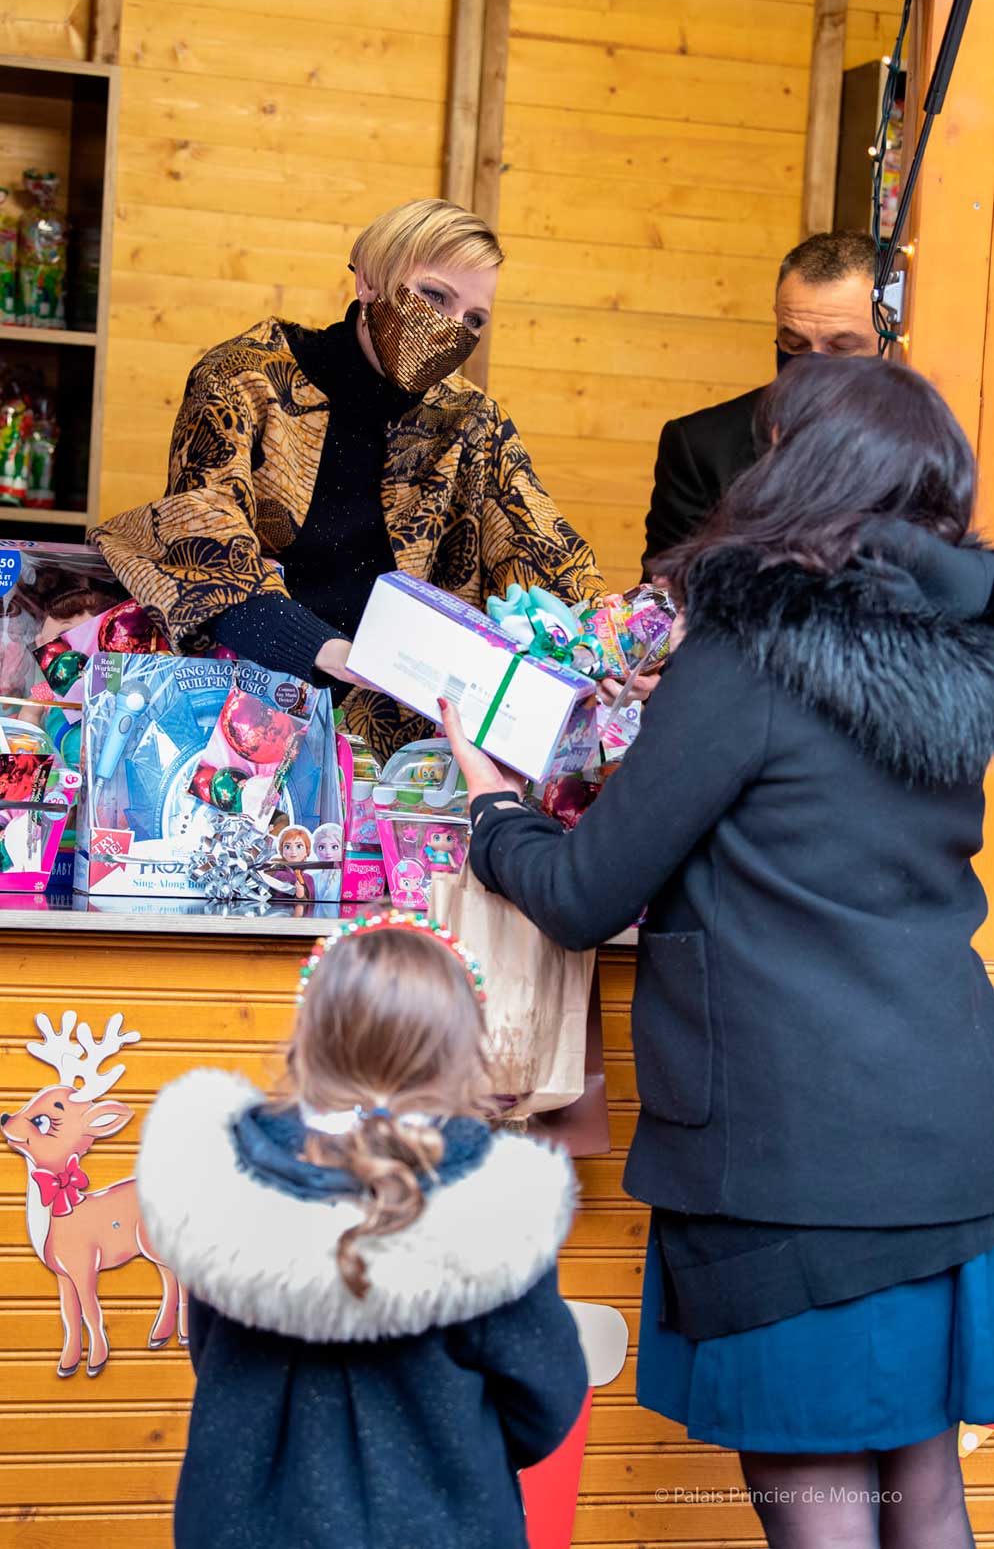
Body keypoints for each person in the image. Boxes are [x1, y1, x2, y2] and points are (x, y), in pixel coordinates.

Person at [442, 357, 994, 1548]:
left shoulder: (743, 654)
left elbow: (588, 892)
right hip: (946, 1127)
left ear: (802, 470)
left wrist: (491, 812)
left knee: (822, 1514)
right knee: (923, 1492)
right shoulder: (958, 652)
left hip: (790, 1144)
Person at [91, 198, 604, 762]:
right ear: (368, 278)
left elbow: (545, 551)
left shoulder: (471, 420)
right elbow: (205, 549)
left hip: (403, 746)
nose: (452, 328)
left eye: (474, 320)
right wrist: (328, 650)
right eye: (435, 296)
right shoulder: (245, 378)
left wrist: (615, 649)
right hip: (240, 710)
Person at [135, 912, 588, 1549]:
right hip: (441, 1527)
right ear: (462, 1053)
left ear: (309, 1037)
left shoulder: (223, 1185)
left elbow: (207, 1353)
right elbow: (545, 1398)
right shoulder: (491, 1207)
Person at [641, 228, 880, 573]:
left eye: (841, 348)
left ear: (888, 342)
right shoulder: (701, 447)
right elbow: (663, 598)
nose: (812, 368)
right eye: (794, 344)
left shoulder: (929, 448)